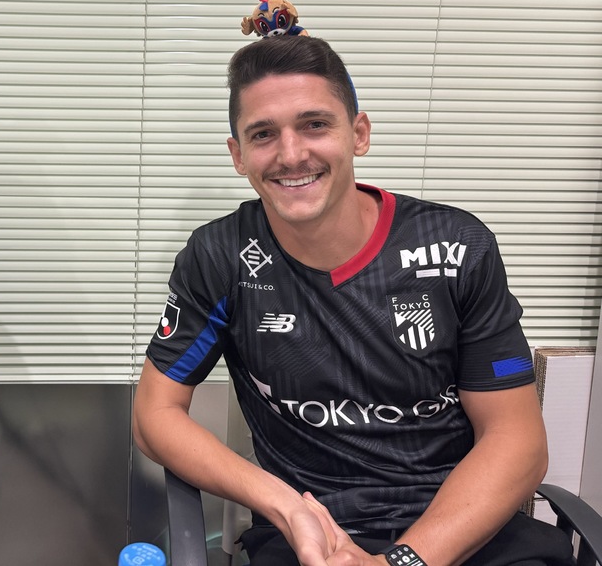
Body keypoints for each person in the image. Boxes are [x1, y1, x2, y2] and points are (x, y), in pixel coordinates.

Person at [132, 34, 573, 566]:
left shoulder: (457, 247)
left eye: (315, 124)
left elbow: (517, 439)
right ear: (238, 155)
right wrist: (284, 505)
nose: (291, 154)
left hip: (461, 525)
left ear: (359, 133)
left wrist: (400, 561)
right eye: (264, 134)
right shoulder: (221, 256)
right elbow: (154, 415)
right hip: (311, 531)